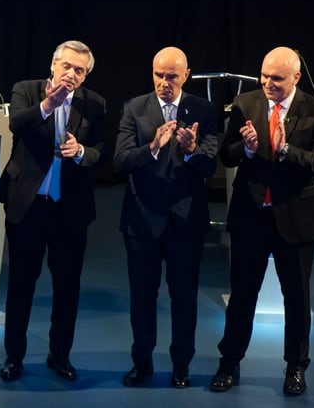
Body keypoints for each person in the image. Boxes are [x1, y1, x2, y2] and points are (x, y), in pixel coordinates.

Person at [210, 46, 314, 396]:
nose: (267, 83)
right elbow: (226, 152)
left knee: (296, 299)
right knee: (242, 297)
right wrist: (246, 150)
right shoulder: (246, 104)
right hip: (251, 217)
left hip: (295, 219)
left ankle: (295, 368)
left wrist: (286, 152)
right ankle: (228, 362)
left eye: (276, 78)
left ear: (295, 77)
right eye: (264, 75)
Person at [0, 40, 106, 382]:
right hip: (27, 205)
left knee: (67, 286)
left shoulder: (95, 104)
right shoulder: (26, 90)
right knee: (21, 285)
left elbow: (102, 150)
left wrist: (82, 151)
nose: (71, 74)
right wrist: (47, 104)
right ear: (53, 65)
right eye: (67, 66)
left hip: (69, 209)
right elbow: (17, 124)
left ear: (85, 75)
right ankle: (14, 357)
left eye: (79, 70)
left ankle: (60, 356)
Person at [113, 46, 218, 389]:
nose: (164, 82)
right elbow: (121, 161)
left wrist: (191, 151)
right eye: (159, 75)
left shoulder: (203, 110)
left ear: (186, 75)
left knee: (184, 297)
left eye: (171, 76)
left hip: (185, 223)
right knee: (142, 296)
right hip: (142, 220)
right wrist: (154, 147)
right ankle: (141, 362)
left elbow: (210, 165)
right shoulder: (134, 108)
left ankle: (181, 365)